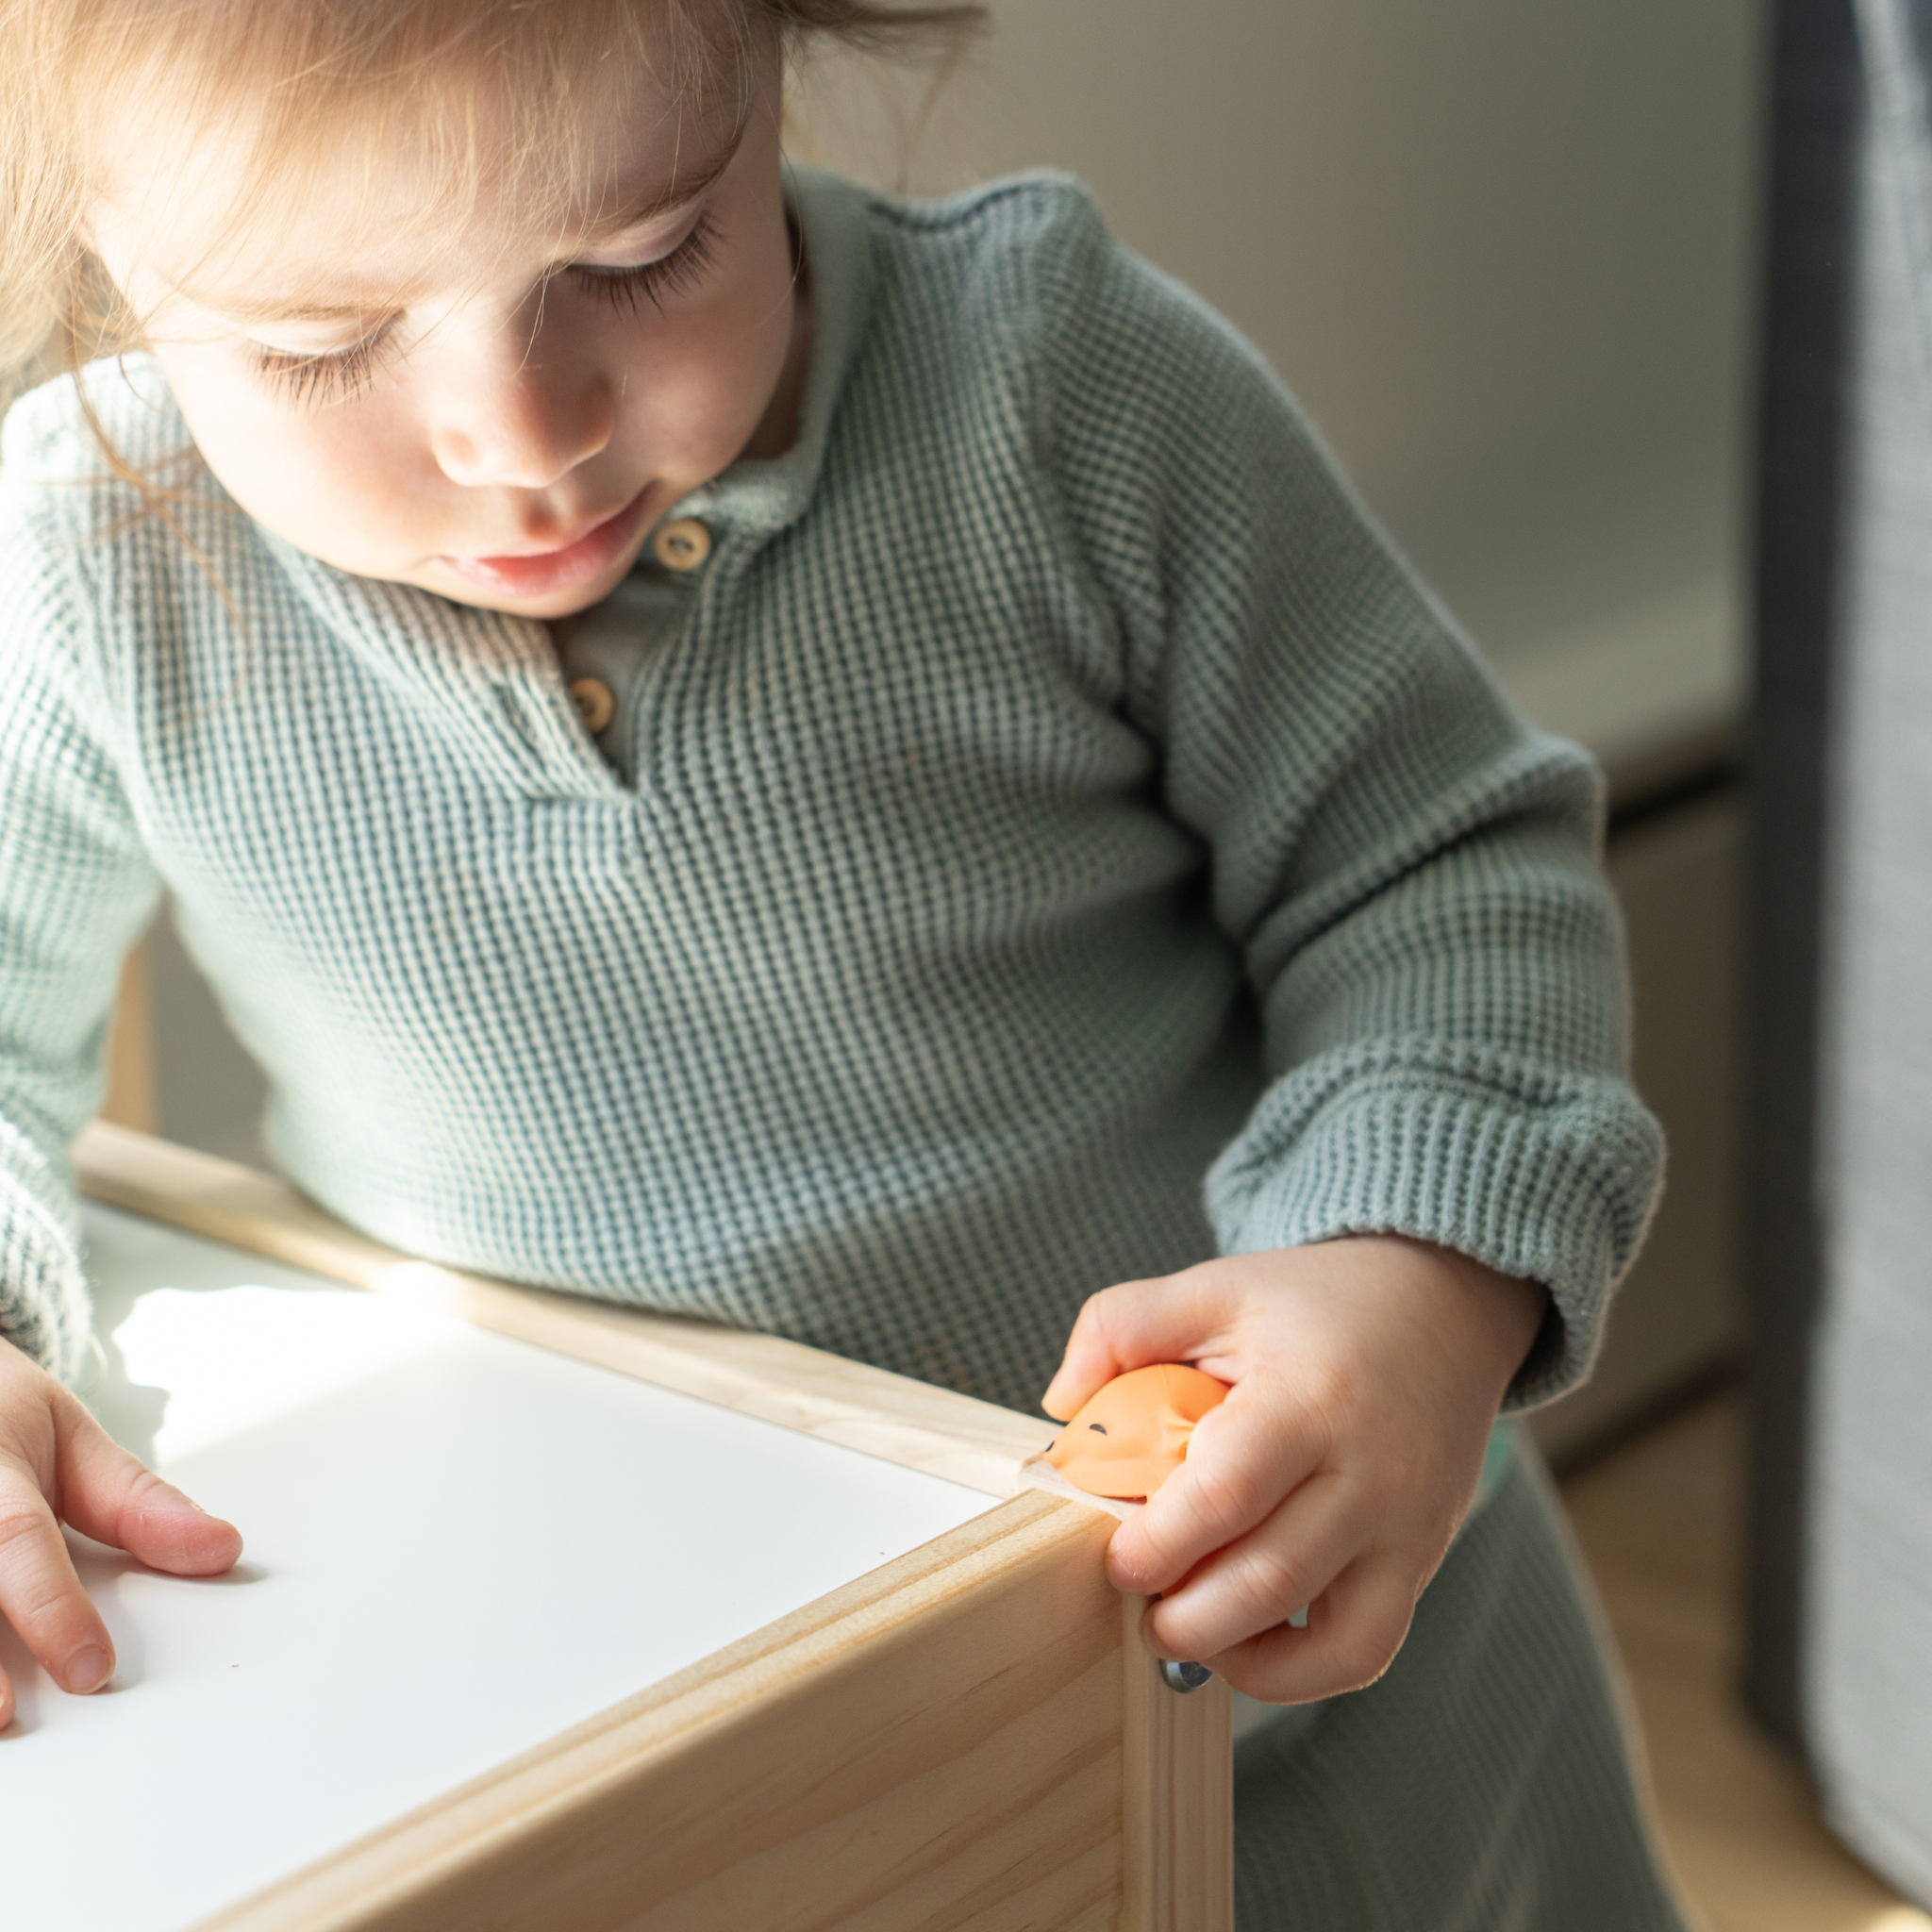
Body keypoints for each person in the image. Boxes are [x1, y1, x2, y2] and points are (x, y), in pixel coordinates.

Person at [0, 1, 1687, 1923]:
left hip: (1311, 1651)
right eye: (323, 339)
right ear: (100, 245)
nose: (524, 436)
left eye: (644, 252)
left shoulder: (1052, 387)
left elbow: (1434, 868)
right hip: (687, 1708)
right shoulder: (85, 549)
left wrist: (1413, 1275)